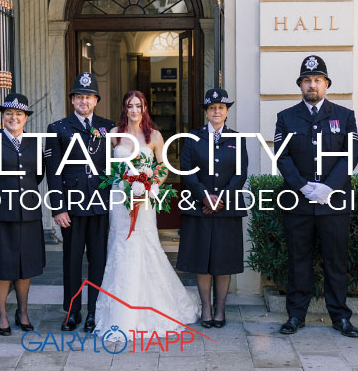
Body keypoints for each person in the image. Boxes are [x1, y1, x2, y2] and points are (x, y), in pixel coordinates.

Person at [94, 90, 198, 337]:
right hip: (120, 199)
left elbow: (162, 167)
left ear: (144, 109)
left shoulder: (155, 136)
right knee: (121, 246)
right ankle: (120, 310)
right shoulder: (114, 134)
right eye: (130, 106)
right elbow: (105, 166)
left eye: (138, 106)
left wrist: (150, 185)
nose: (134, 110)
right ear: (124, 108)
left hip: (145, 201)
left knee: (145, 246)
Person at [274, 55, 358, 337]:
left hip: (334, 203)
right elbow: (282, 156)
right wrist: (303, 186)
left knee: (335, 261)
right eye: (307, 80)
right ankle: (296, 315)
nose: (312, 85)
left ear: (326, 84)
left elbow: (350, 156)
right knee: (298, 261)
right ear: (300, 85)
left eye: (317, 80)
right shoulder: (286, 117)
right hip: (298, 203)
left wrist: (328, 187)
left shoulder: (345, 116)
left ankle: (340, 317)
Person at [45, 72, 116, 332]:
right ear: (72, 100)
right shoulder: (57, 128)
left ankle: (95, 311)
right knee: (72, 261)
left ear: (96, 100)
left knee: (99, 260)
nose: (84, 101)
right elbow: (53, 171)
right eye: (79, 97)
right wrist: (58, 207)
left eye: (88, 97)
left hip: (100, 204)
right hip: (72, 207)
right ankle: (72, 311)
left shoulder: (109, 127)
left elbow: (116, 165)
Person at [0, 93, 46, 336]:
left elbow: (37, 175)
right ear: (2, 116)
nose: (13, 117)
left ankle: (23, 312)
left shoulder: (35, 143)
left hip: (28, 213)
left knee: (26, 266)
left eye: (18, 114)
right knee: (2, 266)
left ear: (26, 117)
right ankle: (2, 314)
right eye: (9, 113)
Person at [177, 88, 248, 328]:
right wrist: (205, 197)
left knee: (223, 260)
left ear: (227, 111)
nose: (216, 111)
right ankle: (206, 308)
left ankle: (220, 309)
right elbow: (187, 170)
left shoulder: (237, 138)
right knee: (202, 260)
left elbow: (240, 173)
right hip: (199, 207)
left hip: (228, 208)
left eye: (221, 107)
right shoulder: (192, 137)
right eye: (212, 108)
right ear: (206, 112)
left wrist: (221, 198)